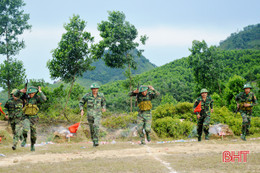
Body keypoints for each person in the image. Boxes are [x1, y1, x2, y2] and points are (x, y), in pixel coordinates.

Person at [19, 86, 47, 151]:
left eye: (32, 93)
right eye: (30, 93)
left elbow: (44, 99)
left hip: (34, 118)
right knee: (25, 129)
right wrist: (20, 91)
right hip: (26, 117)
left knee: (33, 134)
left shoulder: (37, 98)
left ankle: (32, 145)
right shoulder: (25, 97)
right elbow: (16, 96)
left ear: (34, 93)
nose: (30, 94)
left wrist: (40, 92)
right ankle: (24, 140)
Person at [79, 83, 106, 147]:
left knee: (96, 125)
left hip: (98, 114)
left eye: (96, 89)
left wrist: (104, 107)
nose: (95, 90)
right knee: (92, 129)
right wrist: (81, 110)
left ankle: (96, 141)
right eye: (93, 89)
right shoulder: (87, 95)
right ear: (91, 89)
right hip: (90, 114)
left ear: (98, 89)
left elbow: (104, 102)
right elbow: (81, 102)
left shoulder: (101, 95)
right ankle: (94, 142)